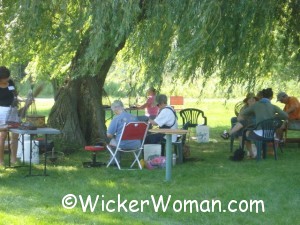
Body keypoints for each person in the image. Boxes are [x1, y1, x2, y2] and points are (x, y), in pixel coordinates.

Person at [221, 93, 258, 157]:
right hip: (246, 126)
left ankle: (229, 134)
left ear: (255, 100)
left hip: (256, 125)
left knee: (242, 124)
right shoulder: (244, 108)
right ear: (247, 101)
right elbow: (239, 118)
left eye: (253, 99)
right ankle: (249, 153)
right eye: (250, 99)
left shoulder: (258, 107)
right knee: (241, 129)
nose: (252, 101)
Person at [0, 66, 19, 167]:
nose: (7, 79)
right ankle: (1, 160)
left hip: (13, 110)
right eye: (5, 78)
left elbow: (15, 94)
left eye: (8, 77)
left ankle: (13, 159)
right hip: (2, 111)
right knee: (2, 136)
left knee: (15, 135)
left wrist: (18, 99)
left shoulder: (10, 83)